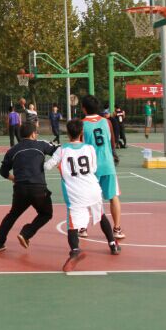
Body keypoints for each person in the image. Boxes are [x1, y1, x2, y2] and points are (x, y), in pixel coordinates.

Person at [44, 119, 120, 272]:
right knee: (101, 216)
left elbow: (47, 166)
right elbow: (93, 168)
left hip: (75, 193)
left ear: (67, 133)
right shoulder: (89, 148)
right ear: (81, 133)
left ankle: (75, 251)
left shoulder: (62, 150)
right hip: (92, 189)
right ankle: (113, 244)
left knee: (72, 225)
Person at [0, 122, 57, 252]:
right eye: (36, 132)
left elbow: (3, 171)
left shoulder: (13, 150)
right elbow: (58, 150)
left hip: (20, 189)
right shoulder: (41, 145)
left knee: (12, 215)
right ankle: (26, 233)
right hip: (38, 188)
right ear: (33, 134)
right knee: (46, 214)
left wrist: (14, 179)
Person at [81, 95, 125, 239]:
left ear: (83, 109)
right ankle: (117, 229)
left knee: (85, 197)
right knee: (113, 197)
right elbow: (112, 143)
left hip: (91, 167)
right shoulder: (107, 122)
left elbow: (79, 146)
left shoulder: (82, 124)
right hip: (107, 164)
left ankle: (82, 228)